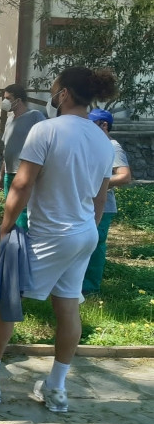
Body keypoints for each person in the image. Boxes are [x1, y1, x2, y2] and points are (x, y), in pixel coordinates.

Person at [0, 66, 117, 413]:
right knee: (67, 305)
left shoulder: (46, 130)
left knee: (3, 298)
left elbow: (22, 184)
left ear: (64, 94)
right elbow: (100, 197)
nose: (52, 94)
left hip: (51, 233)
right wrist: (89, 231)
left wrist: (6, 226)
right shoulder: (101, 138)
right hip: (83, 233)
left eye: (54, 89)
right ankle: (55, 388)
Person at [82, 109, 132, 296]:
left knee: (95, 246)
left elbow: (125, 176)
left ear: (104, 125)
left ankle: (91, 287)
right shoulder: (94, 145)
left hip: (104, 206)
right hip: (88, 202)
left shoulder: (113, 146)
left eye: (91, 124)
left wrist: (100, 182)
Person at [0, 84, 45, 230]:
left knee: (22, 209)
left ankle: (23, 238)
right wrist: (1, 174)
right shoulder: (10, 120)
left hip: (24, 172)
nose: (5, 102)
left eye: (8, 98)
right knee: (9, 208)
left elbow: (45, 141)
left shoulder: (35, 116)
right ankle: (12, 237)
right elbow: (7, 149)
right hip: (9, 173)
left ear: (18, 99)